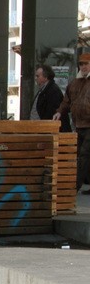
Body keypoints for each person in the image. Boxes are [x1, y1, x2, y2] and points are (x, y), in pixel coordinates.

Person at [54, 54, 90, 191]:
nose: (84, 67)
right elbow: (66, 101)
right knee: (81, 154)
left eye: (86, 64)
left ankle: (74, 186)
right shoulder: (74, 83)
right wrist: (59, 111)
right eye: (81, 64)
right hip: (79, 124)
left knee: (84, 155)